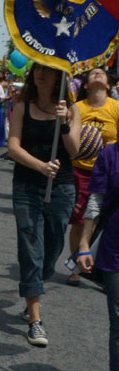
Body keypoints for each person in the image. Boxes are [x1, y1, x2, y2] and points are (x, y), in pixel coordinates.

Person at [8, 62, 81, 347]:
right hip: (27, 186)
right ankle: (35, 320)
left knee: (52, 247)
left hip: (62, 187)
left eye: (47, 70)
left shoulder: (71, 110)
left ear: (59, 77)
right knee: (30, 249)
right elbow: (13, 146)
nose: (40, 73)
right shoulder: (22, 106)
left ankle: (36, 285)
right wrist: (40, 166)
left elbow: (74, 150)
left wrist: (64, 123)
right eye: (36, 69)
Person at [76, 140, 119, 371]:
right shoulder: (110, 154)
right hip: (115, 246)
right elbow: (97, 200)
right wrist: (83, 244)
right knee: (118, 316)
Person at [66, 66, 119, 286]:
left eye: (102, 73)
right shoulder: (77, 108)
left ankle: (97, 259)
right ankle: (77, 264)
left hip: (109, 173)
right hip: (80, 170)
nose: (97, 73)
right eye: (92, 73)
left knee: (102, 218)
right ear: (85, 84)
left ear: (108, 84)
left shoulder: (116, 108)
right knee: (79, 221)